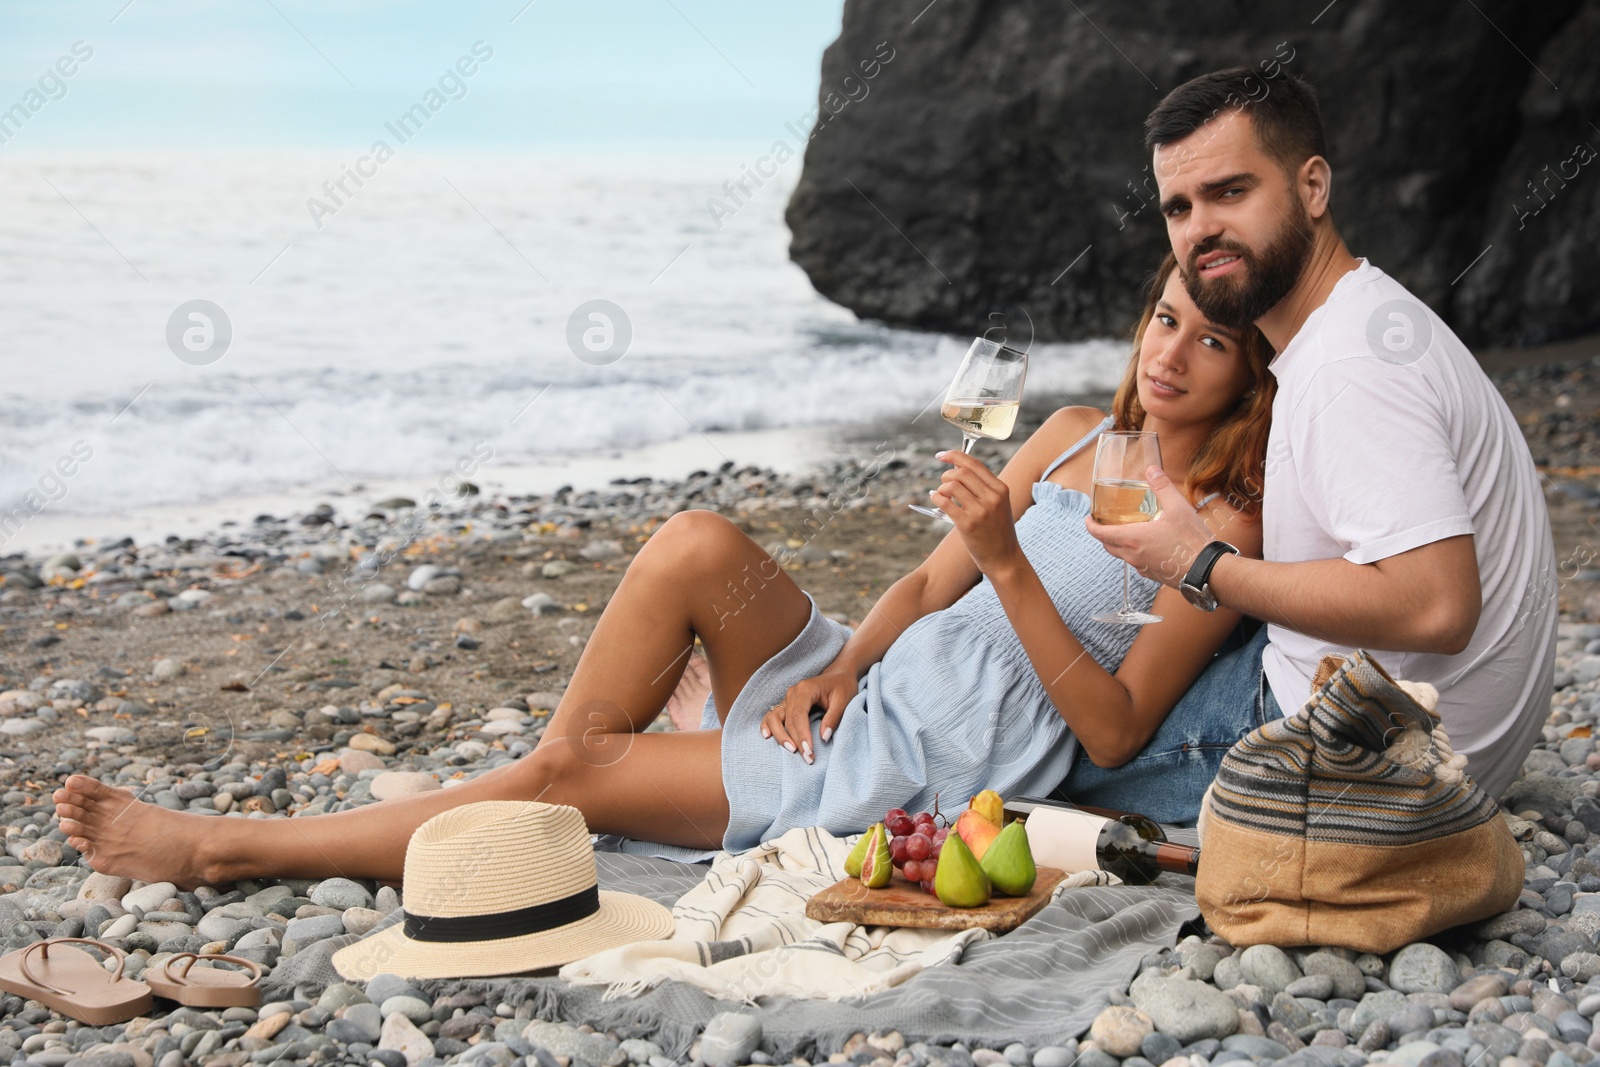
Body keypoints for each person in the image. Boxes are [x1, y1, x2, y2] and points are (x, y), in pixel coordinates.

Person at [54, 256, 1273, 887]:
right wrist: (838, 665)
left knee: (574, 761)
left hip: (925, 755)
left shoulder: (1222, 532)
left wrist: (1009, 564)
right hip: (873, 689)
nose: (1170, 354)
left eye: (1211, 339)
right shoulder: (1064, 434)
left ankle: (235, 845)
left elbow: (1112, 736)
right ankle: (551, 803)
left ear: (1250, 373)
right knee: (697, 540)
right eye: (1165, 318)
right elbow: (912, 593)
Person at [1083, 67, 1555, 804]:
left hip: (1355, 754)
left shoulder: (1351, 362)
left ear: (1312, 188)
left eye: (1230, 192)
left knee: (1048, 735)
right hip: (1434, 736)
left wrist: (1200, 560)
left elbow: (1438, 607)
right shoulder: (1358, 322)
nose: (1200, 228)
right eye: (1178, 207)